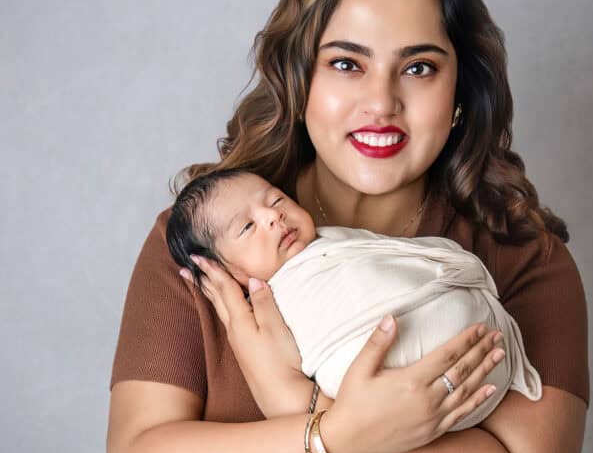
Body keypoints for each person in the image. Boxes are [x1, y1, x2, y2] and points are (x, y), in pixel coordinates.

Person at [107, 0, 588, 453]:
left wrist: (292, 402)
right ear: (300, 80)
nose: (381, 102)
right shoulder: (207, 244)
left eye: (419, 66)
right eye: (346, 63)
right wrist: (337, 434)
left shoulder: (522, 256)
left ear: (459, 93)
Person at [163, 168, 543, 432]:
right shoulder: (269, 305)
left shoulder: (336, 241)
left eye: (276, 200)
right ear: (225, 273)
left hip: (480, 348)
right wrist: (306, 407)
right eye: (247, 227)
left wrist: (296, 402)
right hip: (396, 373)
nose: (272, 216)